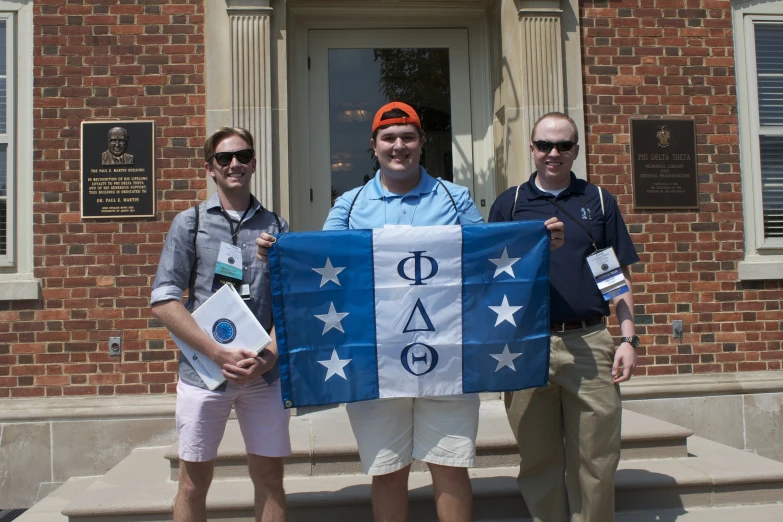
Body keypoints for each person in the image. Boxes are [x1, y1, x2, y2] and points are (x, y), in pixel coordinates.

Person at [256, 102, 563, 522]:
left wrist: (540, 243)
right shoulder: (349, 205)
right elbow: (322, 269)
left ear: (421, 143)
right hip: (376, 360)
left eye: (408, 137)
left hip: (449, 359)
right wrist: (278, 255)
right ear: (374, 146)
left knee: (451, 466)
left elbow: (488, 260)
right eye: (388, 138)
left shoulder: (454, 199)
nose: (398, 146)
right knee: (387, 470)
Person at [488, 112, 640, 522]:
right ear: (532, 148)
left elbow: (612, 278)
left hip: (588, 343)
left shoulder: (598, 201)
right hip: (525, 346)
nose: (553, 153)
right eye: (544, 145)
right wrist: (538, 252)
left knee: (597, 460)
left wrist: (627, 339)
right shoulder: (511, 203)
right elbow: (490, 282)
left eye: (563, 146)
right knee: (538, 461)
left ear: (576, 149)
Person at [151, 127, 290, 522]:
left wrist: (268, 357)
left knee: (269, 478)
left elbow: (289, 303)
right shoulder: (189, 223)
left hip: (263, 376)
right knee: (194, 482)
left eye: (243, 156)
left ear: (254, 163)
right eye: (225, 158)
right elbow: (163, 299)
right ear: (210, 167)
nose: (235, 164)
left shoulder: (278, 227)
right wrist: (214, 351)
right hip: (204, 373)